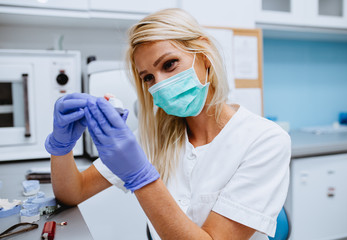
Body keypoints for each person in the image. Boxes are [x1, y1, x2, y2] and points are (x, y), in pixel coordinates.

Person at [45, 8, 291, 240]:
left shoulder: (265, 140)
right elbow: (72, 193)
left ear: (204, 56)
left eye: (169, 64)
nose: (160, 83)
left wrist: (140, 177)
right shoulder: (152, 136)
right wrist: (61, 145)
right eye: (148, 77)